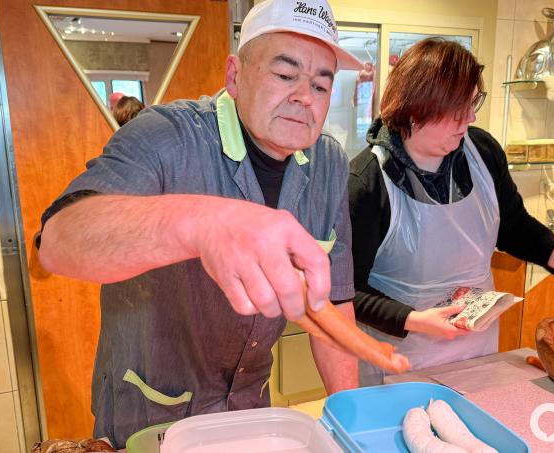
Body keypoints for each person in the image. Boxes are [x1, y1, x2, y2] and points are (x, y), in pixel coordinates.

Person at [36, 0, 362, 447]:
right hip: (150, 415)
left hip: (250, 410)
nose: (304, 97)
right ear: (234, 74)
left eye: (321, 86)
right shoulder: (165, 136)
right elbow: (58, 240)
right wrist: (202, 222)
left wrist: (353, 424)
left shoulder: (327, 163)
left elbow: (334, 302)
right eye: (285, 75)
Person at [348, 38, 554, 386]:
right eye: (457, 109)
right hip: (398, 358)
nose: (468, 119)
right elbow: (347, 289)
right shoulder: (366, 182)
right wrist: (415, 319)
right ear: (416, 107)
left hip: (476, 350)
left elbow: (511, 224)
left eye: (472, 104)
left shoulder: (481, 151)